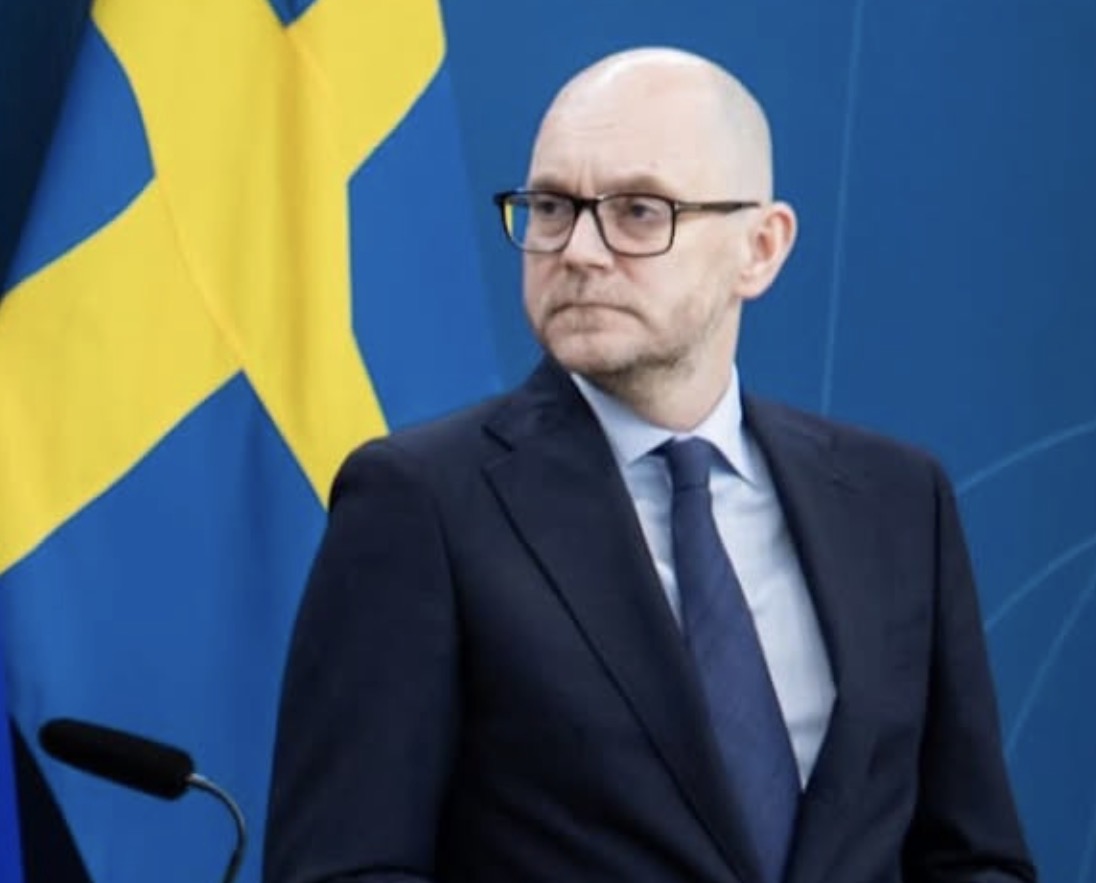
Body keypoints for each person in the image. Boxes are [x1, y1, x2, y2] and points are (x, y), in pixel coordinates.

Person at [263, 47, 1037, 883]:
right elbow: (345, 869)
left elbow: (971, 856)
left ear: (761, 248)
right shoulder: (420, 502)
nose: (578, 251)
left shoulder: (896, 500)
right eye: (551, 207)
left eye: (638, 211)